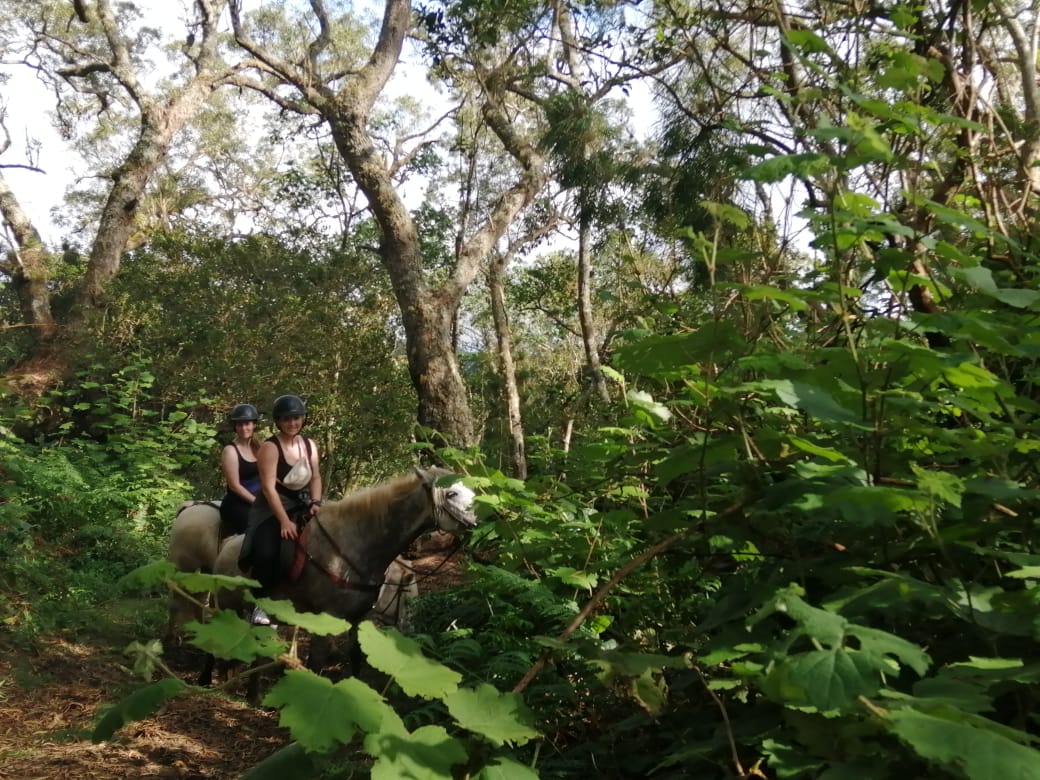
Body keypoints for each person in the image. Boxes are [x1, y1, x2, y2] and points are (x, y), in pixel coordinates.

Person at [238, 394, 323, 626]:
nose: (292, 423)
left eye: (296, 418)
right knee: (267, 552)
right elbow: (267, 488)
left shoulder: (309, 445)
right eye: (287, 419)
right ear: (278, 421)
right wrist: (284, 521)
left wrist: (316, 502)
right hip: (272, 506)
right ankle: (261, 605)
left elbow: (315, 477)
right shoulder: (270, 447)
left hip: (304, 502)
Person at [218, 403, 262, 538]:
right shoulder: (230, 451)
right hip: (238, 503)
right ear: (235, 427)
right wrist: (257, 503)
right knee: (256, 530)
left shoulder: (260, 447)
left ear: (254, 425)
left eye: (247, 423)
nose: (244, 428)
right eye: (239, 424)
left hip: (259, 497)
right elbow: (235, 486)